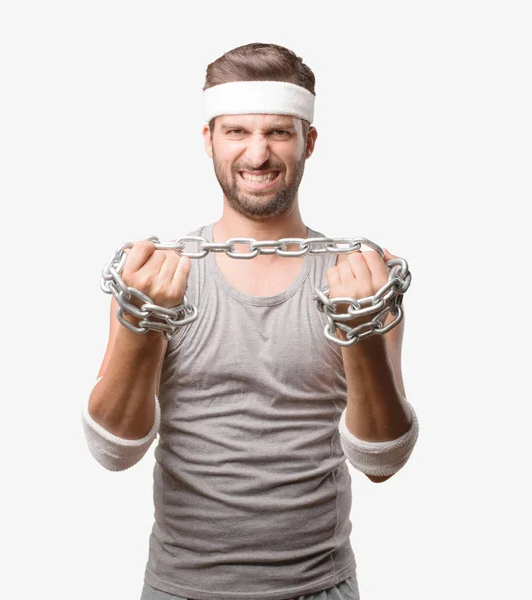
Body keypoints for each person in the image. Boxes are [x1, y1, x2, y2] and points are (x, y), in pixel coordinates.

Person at [82, 42, 419, 600]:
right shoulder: (158, 274)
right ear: (208, 139)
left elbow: (381, 460)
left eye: (279, 133)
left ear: (309, 141)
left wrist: (356, 330)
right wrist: (144, 329)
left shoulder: (357, 274)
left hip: (319, 586)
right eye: (237, 132)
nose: (257, 155)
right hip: (181, 588)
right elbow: (113, 453)